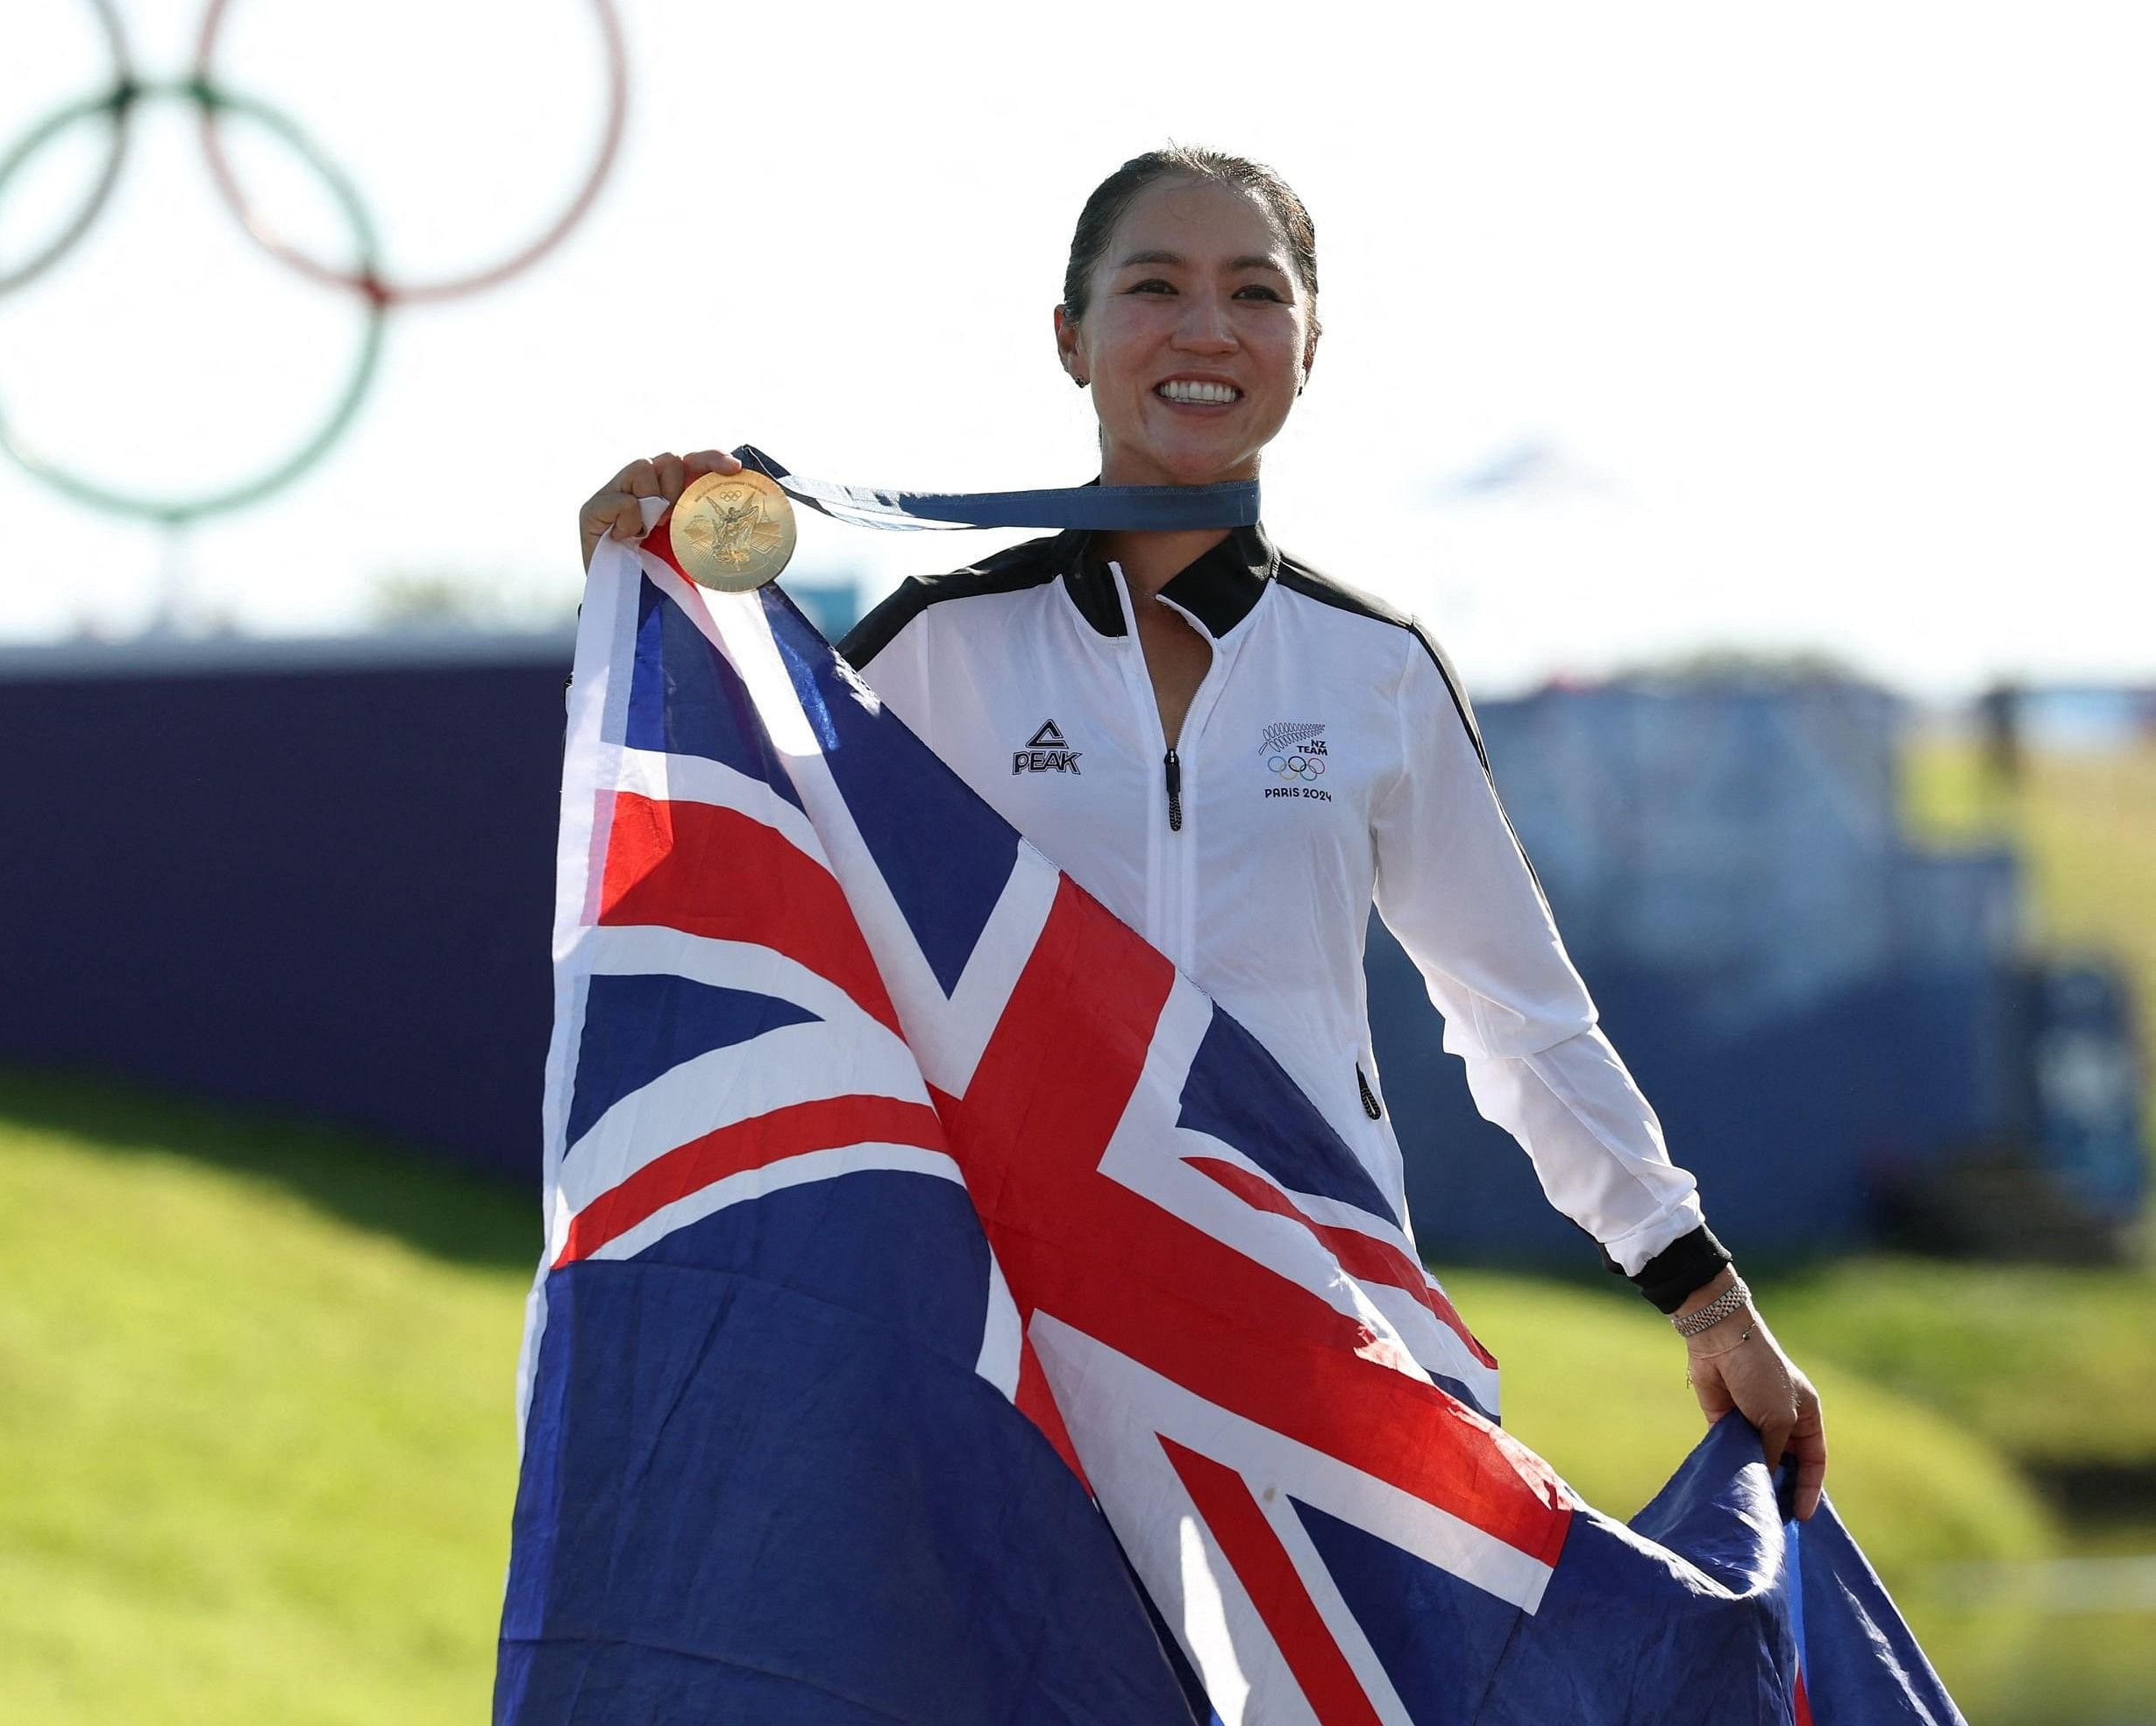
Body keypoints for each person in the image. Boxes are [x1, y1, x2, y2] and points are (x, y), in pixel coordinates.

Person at [572, 146, 1827, 1520]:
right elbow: (725, 893)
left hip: (1318, 1310)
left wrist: (1705, 1296)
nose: (1207, 330)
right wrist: (659, 602)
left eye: (1255, 292)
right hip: (1022, 1319)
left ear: (1310, 343)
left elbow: (1519, 1017)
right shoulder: (935, 648)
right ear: (1072, 337)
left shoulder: (1375, 670)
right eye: (1154, 287)